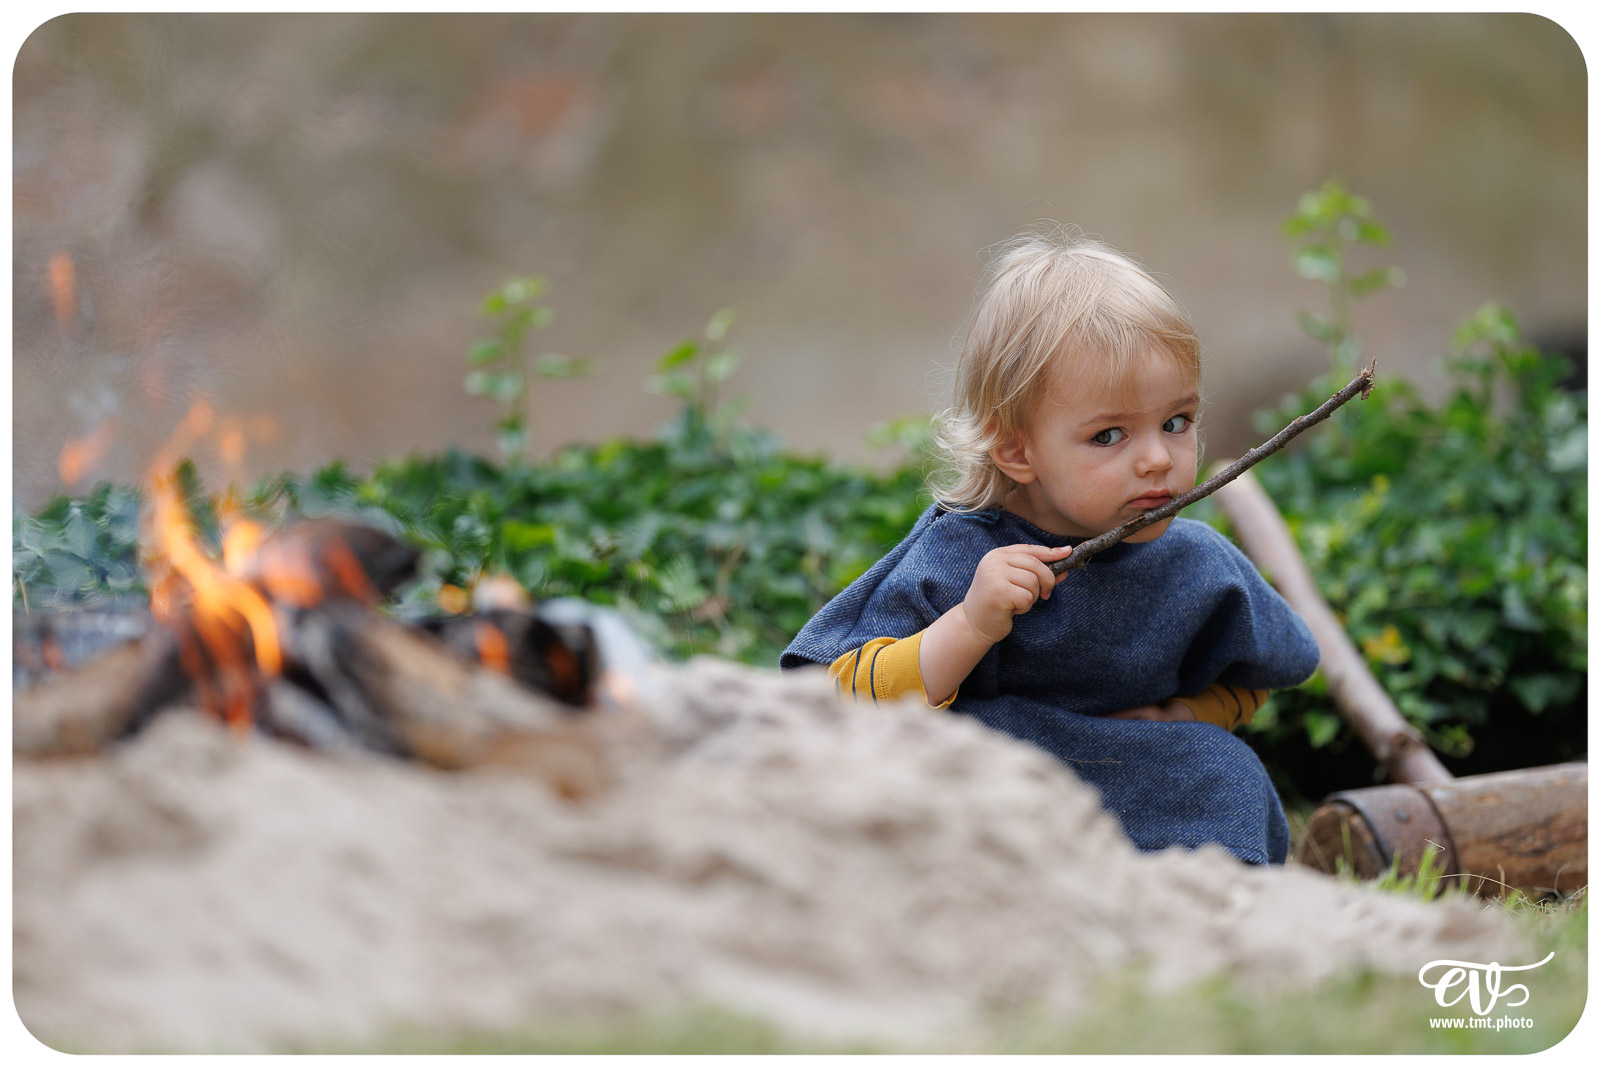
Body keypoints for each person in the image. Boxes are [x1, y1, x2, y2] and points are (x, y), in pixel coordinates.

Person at [781, 228, 1320, 865]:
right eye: (1110, 435)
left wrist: (1187, 714)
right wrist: (969, 625)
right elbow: (843, 693)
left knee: (1225, 771)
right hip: (994, 783)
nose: (1157, 459)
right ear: (1016, 450)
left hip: (1130, 772)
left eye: (1176, 423)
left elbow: (1258, 670)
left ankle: (1223, 900)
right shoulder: (963, 553)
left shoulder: (1195, 562)